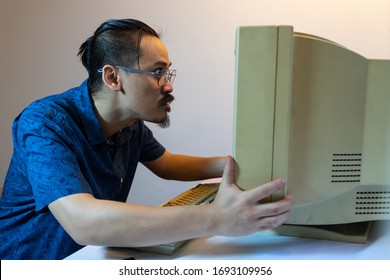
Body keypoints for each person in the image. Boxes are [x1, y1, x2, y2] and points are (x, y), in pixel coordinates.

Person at [0, 18, 292, 259]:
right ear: (113, 78)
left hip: (89, 258)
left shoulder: (130, 124)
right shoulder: (44, 122)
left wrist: (237, 163)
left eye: (167, 72)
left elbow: (166, 163)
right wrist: (217, 217)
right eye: (157, 73)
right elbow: (82, 221)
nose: (168, 85)